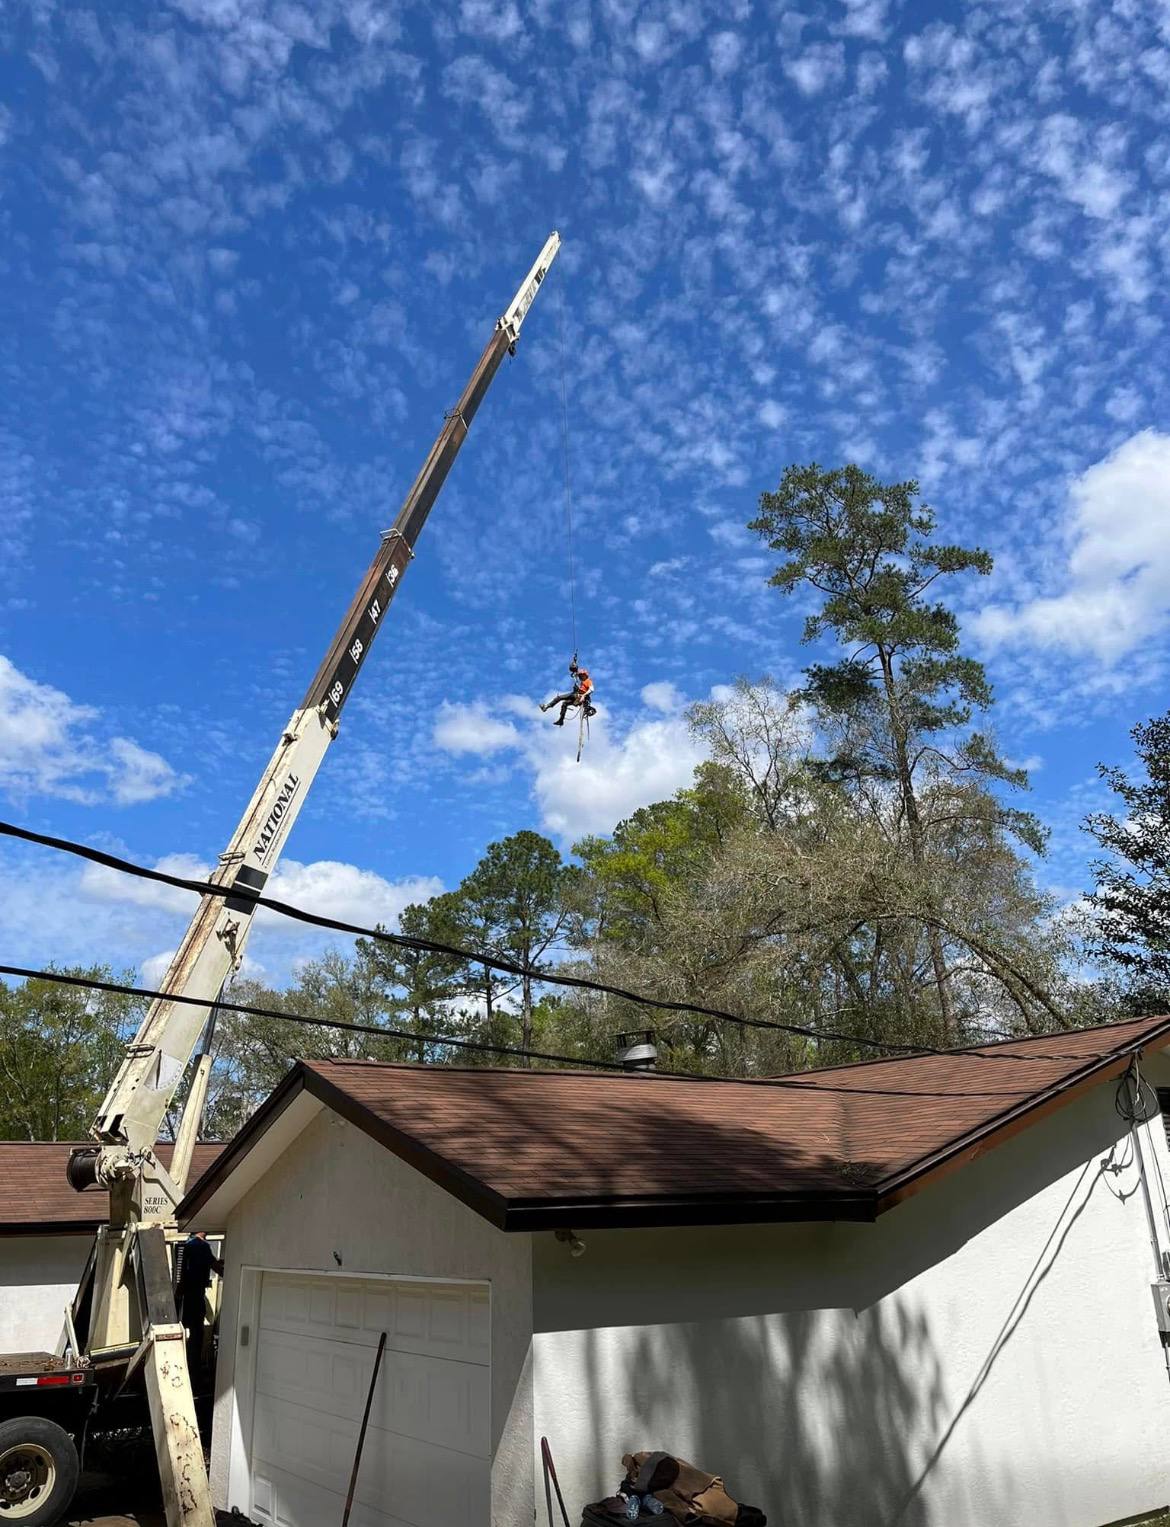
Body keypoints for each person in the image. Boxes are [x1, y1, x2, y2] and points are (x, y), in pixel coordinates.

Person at [176, 1228, 223, 1378]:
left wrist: (178, 1293)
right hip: (195, 1296)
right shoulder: (201, 1246)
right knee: (196, 1333)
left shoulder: (189, 1245)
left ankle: (184, 1365)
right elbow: (215, 1266)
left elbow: (183, 1273)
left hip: (187, 1296)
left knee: (187, 1331)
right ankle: (193, 1370)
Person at [540, 657, 595, 726]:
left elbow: (592, 689)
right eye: (580, 676)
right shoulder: (582, 681)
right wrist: (574, 662)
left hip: (578, 695)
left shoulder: (588, 681)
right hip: (577, 696)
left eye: (581, 675)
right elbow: (575, 673)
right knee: (564, 704)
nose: (580, 677)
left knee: (559, 697)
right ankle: (560, 720)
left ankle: (546, 706)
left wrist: (584, 695)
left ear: (585, 675)